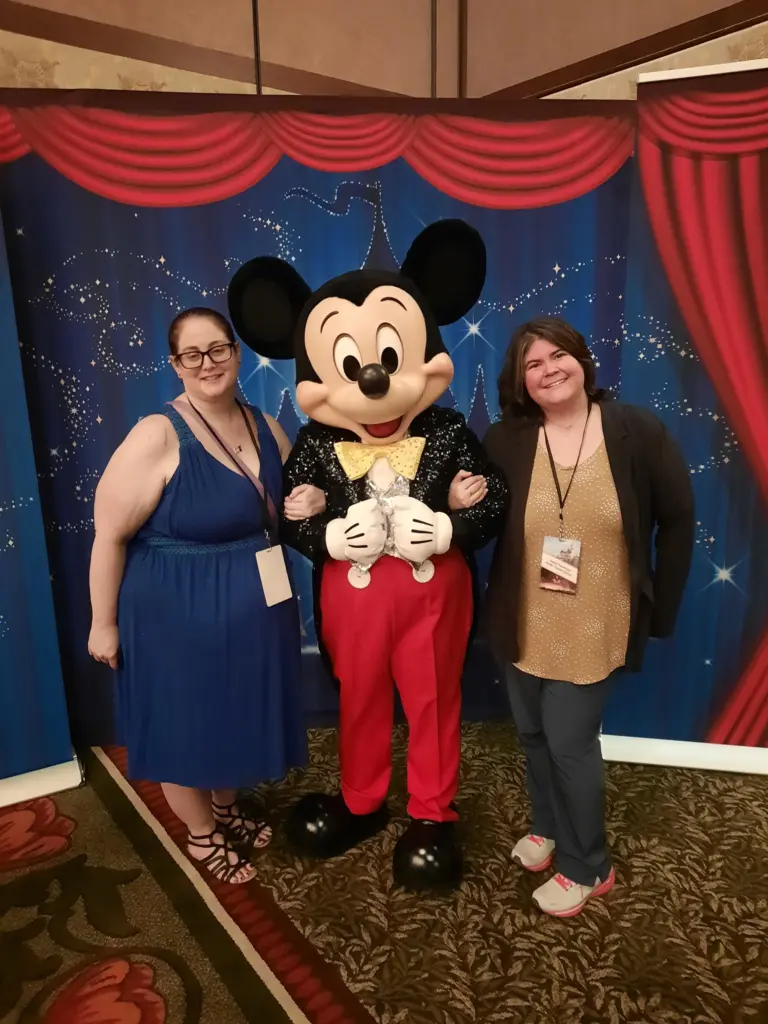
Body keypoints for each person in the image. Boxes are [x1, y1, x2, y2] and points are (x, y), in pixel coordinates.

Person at [458, 316, 694, 917]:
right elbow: (479, 522)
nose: (548, 370)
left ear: (583, 362)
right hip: (524, 616)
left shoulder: (635, 430)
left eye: (559, 355)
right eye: (532, 364)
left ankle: (589, 865)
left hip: (596, 620)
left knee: (569, 743)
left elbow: (679, 518)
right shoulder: (506, 440)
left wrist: (660, 610)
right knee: (533, 735)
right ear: (521, 381)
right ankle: (548, 828)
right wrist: (455, 501)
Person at [88, 307, 326, 885]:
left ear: (237, 353)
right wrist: (103, 623)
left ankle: (225, 808)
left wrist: (313, 502)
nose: (207, 363)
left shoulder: (267, 425)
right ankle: (201, 835)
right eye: (191, 354)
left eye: (218, 349)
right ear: (175, 365)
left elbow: (288, 510)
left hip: (254, 609)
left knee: (233, 715)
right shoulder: (156, 434)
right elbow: (109, 535)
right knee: (185, 723)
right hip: (174, 612)